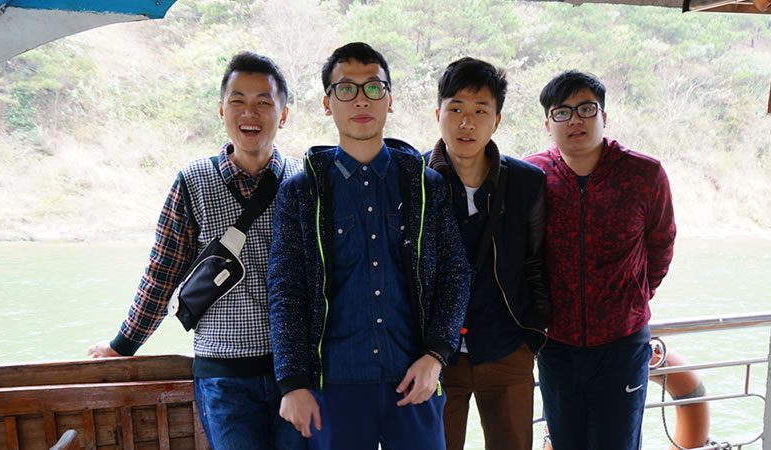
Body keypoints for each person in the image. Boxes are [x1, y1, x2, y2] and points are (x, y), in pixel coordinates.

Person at [86, 52, 306, 450]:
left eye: (263, 102)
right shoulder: (193, 182)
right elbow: (162, 273)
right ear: (221, 110)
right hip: (224, 376)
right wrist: (123, 345)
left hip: (296, 373)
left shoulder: (303, 181)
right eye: (238, 101)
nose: (249, 113)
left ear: (284, 114)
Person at [266, 42, 470, 450]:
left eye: (374, 88)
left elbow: (455, 273)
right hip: (334, 386)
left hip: (413, 380)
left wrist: (437, 355)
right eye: (346, 89)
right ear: (327, 103)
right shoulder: (301, 192)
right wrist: (292, 382)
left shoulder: (426, 187)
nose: (361, 100)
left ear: (390, 99)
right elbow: (285, 289)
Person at [524, 70, 676, 450]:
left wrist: (634, 297)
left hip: (622, 345)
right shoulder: (531, 176)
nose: (575, 120)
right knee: (565, 442)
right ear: (548, 124)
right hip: (556, 344)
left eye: (586, 109)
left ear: (604, 117)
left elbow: (661, 243)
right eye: (562, 112)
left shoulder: (644, 174)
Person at [428, 57, 550, 450]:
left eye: (480, 111)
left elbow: (536, 261)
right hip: (433, 357)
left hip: (507, 349)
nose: (467, 123)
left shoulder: (526, 182)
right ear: (438, 114)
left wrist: (533, 333)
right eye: (456, 109)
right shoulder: (415, 182)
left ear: (496, 120)